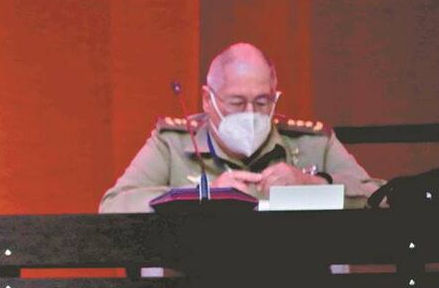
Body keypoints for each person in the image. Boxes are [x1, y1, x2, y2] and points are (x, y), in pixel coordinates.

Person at [100, 42, 383, 213]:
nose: (250, 114)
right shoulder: (173, 143)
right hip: (195, 285)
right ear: (208, 99)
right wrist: (204, 195)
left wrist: (313, 184)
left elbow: (382, 198)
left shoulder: (311, 143)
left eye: (262, 102)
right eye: (237, 102)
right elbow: (114, 205)